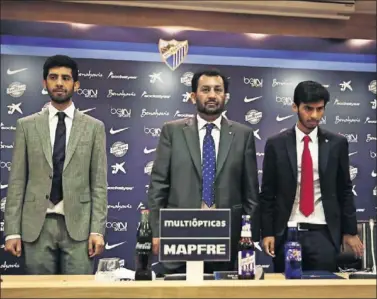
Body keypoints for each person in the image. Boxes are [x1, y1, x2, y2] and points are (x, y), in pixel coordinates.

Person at [147, 69, 259, 274]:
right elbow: (158, 185)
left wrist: (249, 233)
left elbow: (250, 191)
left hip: (225, 236)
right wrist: (156, 231)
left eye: (218, 90)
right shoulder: (172, 131)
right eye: (205, 89)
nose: (212, 95)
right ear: (193, 96)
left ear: (225, 96)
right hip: (179, 234)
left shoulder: (243, 135)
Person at [4, 55, 108, 274]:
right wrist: (12, 231)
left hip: (79, 227)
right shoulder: (26, 126)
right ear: (45, 83)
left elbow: (99, 184)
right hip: (36, 226)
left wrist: (97, 230)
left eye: (66, 78)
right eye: (53, 77)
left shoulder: (94, 128)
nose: (59, 83)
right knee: (39, 293)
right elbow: (17, 182)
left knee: (78, 293)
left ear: (76, 84)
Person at [260, 80, 363, 273]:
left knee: (323, 290)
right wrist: (267, 233)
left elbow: (345, 190)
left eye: (320, 109)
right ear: (295, 107)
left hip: (323, 232)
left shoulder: (337, 143)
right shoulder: (276, 144)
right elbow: (267, 193)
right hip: (287, 232)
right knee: (285, 291)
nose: (314, 115)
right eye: (308, 109)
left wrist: (349, 231)